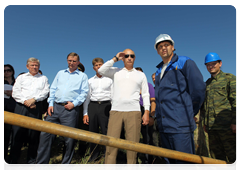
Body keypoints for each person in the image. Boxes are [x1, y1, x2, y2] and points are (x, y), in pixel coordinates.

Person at [154, 34, 205, 170]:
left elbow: (198, 90)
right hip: (164, 126)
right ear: (157, 51)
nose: (163, 48)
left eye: (166, 45)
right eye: (160, 46)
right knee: (170, 163)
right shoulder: (159, 71)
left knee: (185, 164)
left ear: (173, 47)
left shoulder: (184, 62)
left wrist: (189, 112)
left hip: (180, 126)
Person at [34, 52, 89, 170]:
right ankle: (41, 166)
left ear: (78, 62)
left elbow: (84, 93)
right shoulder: (60, 73)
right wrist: (50, 103)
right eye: (69, 60)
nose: (71, 63)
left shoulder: (82, 76)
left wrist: (74, 104)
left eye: (74, 61)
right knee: (45, 135)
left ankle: (64, 166)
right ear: (67, 60)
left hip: (70, 109)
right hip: (55, 107)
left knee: (69, 139)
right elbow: (53, 89)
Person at [98, 49, 150, 170]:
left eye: (132, 56)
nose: (129, 58)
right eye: (126, 56)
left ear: (135, 58)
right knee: (111, 144)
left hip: (134, 111)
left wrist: (146, 111)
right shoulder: (116, 72)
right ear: (123, 58)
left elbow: (146, 94)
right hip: (116, 111)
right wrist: (115, 58)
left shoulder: (140, 74)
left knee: (132, 146)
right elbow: (101, 70)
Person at [8, 58, 50, 170]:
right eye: (32, 65)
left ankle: (31, 161)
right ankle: (13, 161)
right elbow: (15, 92)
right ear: (27, 66)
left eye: (36, 65)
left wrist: (34, 99)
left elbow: (45, 92)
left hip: (35, 107)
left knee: (33, 135)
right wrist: (26, 102)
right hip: (21, 107)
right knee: (17, 134)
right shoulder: (21, 77)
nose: (34, 67)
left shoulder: (43, 78)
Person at [202, 52, 238, 167]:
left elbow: (236, 101)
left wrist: (236, 122)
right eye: (208, 64)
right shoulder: (207, 83)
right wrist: (205, 123)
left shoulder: (230, 78)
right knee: (216, 157)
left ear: (220, 63)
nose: (211, 66)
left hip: (227, 127)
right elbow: (205, 105)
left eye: (214, 64)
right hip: (212, 127)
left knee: (233, 155)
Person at [83, 57, 113, 162]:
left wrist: (113, 111)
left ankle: (107, 156)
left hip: (106, 105)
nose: (99, 66)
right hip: (93, 106)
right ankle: (94, 156)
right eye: (96, 65)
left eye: (100, 64)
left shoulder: (110, 79)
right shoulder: (90, 81)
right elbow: (87, 97)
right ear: (93, 68)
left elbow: (113, 96)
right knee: (93, 131)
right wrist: (85, 113)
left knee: (106, 131)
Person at [135, 67, 155, 168]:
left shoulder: (148, 85)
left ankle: (149, 163)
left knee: (147, 138)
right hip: (133, 112)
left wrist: (151, 115)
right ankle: (134, 161)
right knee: (133, 138)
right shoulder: (130, 85)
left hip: (145, 111)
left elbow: (152, 101)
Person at [4, 64, 16, 164]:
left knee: (13, 135)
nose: (6, 72)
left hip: (14, 110)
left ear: (12, 71)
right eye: (4, 71)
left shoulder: (17, 82)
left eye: (8, 70)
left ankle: (11, 160)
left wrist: (12, 93)